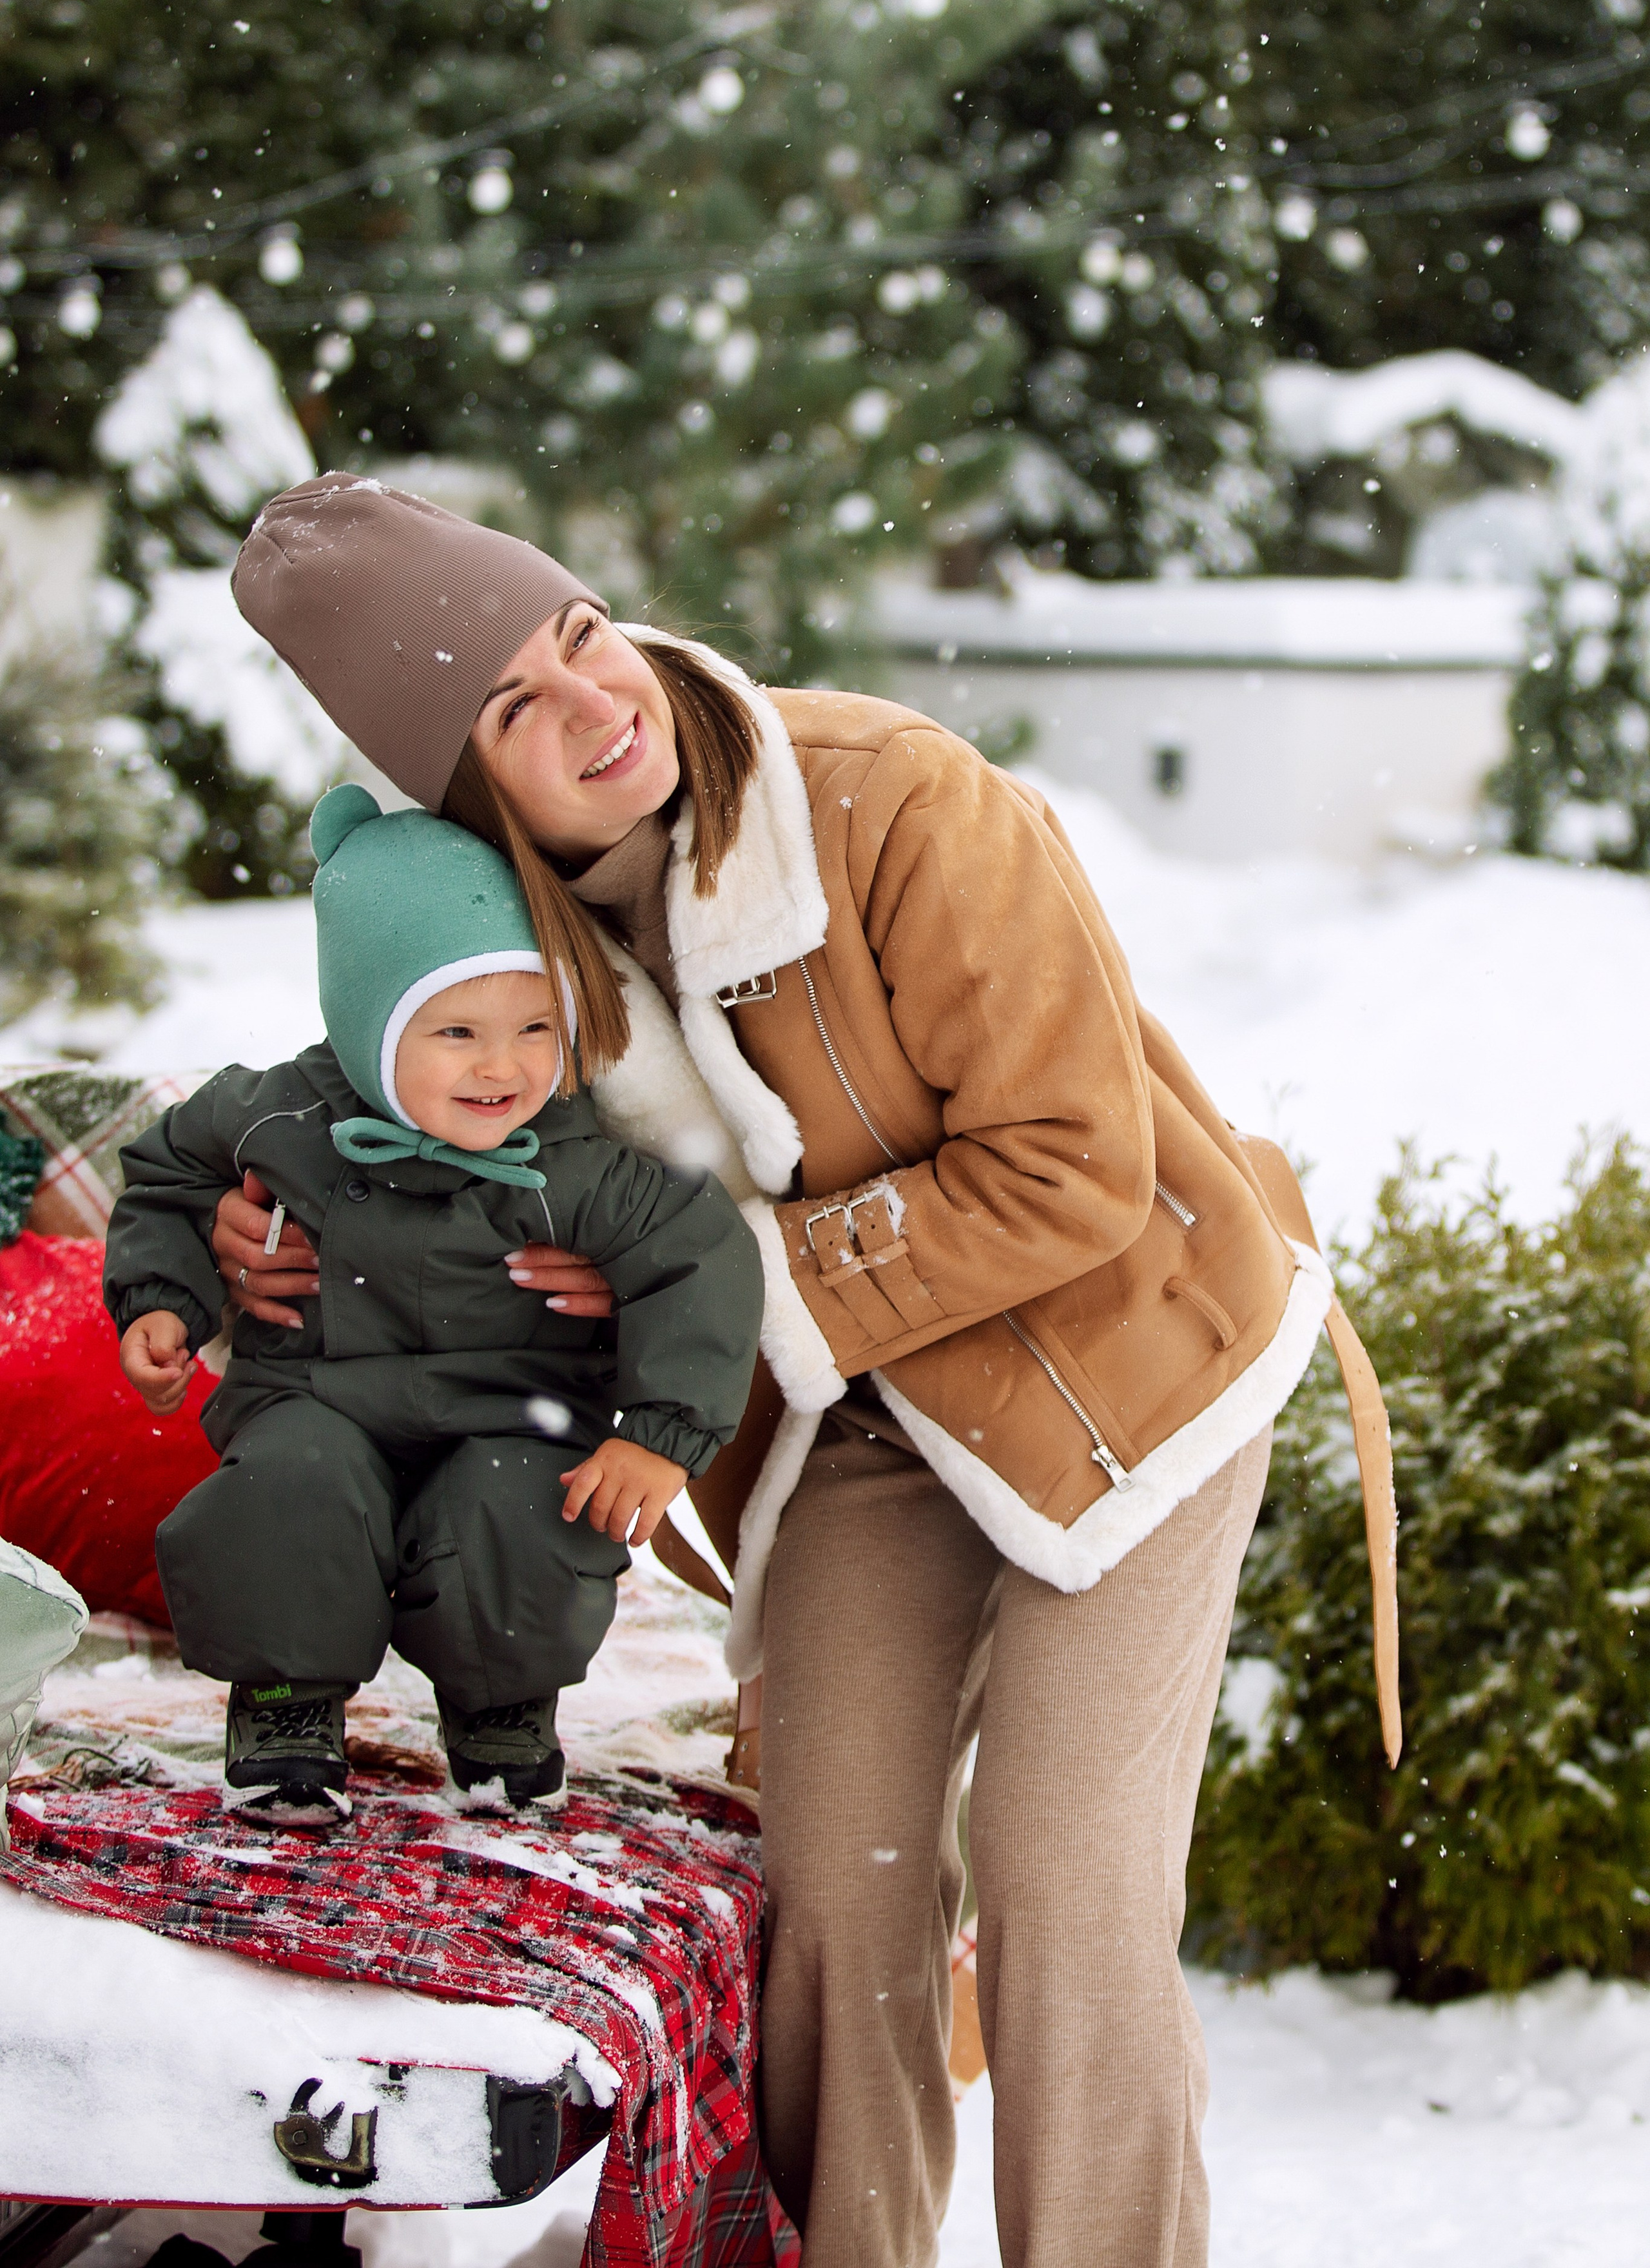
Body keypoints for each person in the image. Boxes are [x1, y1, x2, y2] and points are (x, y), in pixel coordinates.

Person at [215, 473, 1392, 2267]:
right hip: (868, 1422)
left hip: (1129, 1373)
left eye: (580, 636)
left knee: (1068, 1897)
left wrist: (723, 1283)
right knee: (834, 1907)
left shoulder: (895, 799)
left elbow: (1077, 1165)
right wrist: (264, 1239)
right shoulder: (522, 953)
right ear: (467, 797)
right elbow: (434, 1153)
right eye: (516, 708)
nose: (596, 705)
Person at [106, 779, 762, 1828]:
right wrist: (163, 1295)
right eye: (457, 1032)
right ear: (369, 1026)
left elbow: (699, 1257)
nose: (505, 1068)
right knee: (289, 1489)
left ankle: (501, 1698)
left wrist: (662, 1434)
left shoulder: (570, 1157)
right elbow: (171, 1174)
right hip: (316, 1399)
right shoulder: (281, 1113)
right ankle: (284, 1697)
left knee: (530, 1508)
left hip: (514, 1409)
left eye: (537, 1025)